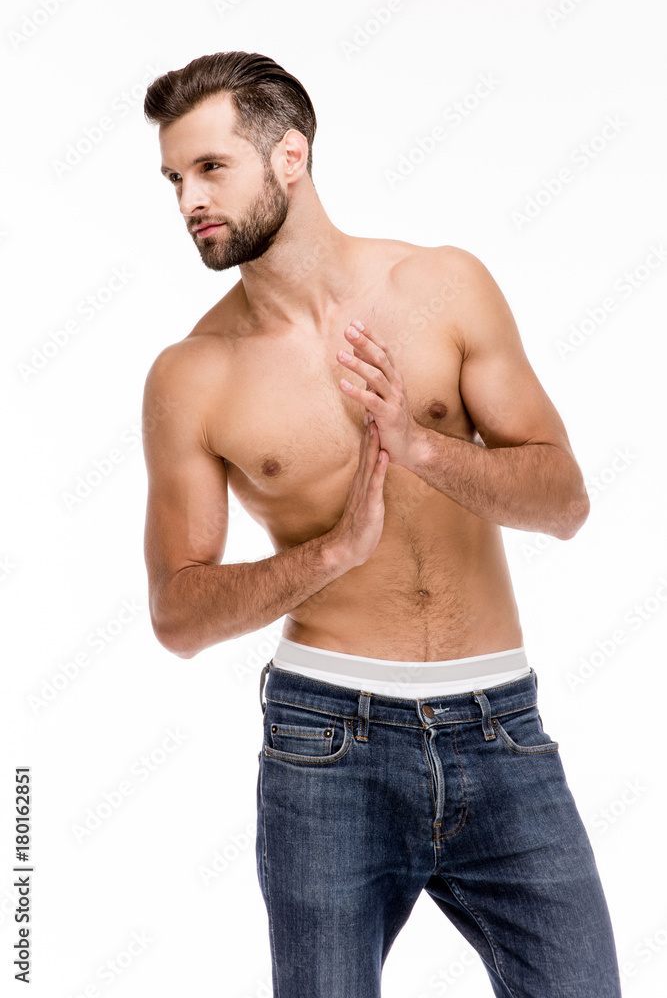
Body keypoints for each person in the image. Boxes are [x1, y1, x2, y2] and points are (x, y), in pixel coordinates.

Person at [141, 51, 622, 998]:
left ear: (290, 156)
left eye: (209, 168)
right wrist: (333, 551)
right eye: (172, 179)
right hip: (327, 745)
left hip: (502, 728)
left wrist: (425, 447)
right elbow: (179, 614)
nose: (187, 199)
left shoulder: (441, 287)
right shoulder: (191, 375)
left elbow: (564, 501)